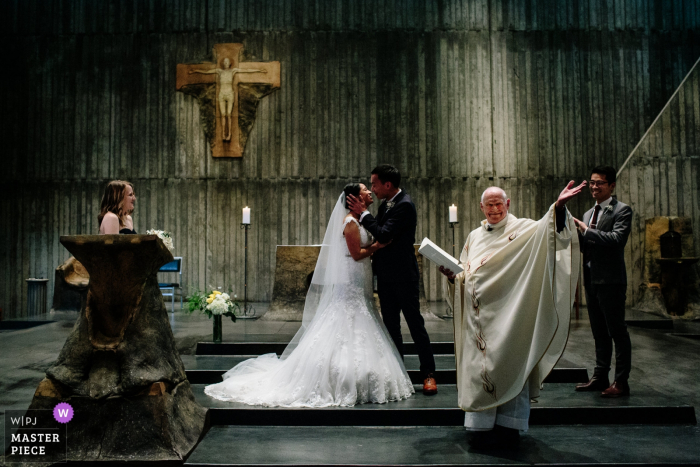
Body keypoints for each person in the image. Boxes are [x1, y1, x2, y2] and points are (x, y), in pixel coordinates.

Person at [204, 184, 414, 407]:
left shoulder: (362, 219)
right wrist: (378, 246)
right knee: (348, 314)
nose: (369, 191)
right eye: (365, 189)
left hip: (360, 275)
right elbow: (355, 254)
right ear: (355, 198)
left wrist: (376, 245)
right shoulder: (351, 223)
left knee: (363, 313)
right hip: (353, 273)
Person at [439, 182, 584, 447]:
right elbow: (464, 273)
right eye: (489, 205)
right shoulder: (474, 236)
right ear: (481, 208)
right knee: (479, 369)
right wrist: (453, 277)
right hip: (479, 319)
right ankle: (479, 424)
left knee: (512, 362)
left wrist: (559, 207)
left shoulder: (524, 229)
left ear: (508, 204)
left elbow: (549, 230)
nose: (494, 209)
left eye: (498, 203)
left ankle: (510, 423)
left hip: (511, 313)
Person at [347, 165, 438, 395]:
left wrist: (364, 214)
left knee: (415, 325)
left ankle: (428, 374)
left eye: (374, 184)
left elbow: (384, 233)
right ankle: (399, 373)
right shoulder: (386, 204)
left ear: (388, 185)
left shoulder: (404, 205)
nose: (373, 189)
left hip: (404, 276)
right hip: (386, 277)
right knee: (391, 327)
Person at [572, 166, 633, 397]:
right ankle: (600, 377)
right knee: (599, 331)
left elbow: (617, 240)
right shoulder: (589, 213)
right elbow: (587, 244)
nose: (595, 187)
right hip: (591, 279)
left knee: (617, 331)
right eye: (592, 182)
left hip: (611, 280)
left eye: (600, 183)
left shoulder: (622, 210)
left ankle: (621, 382)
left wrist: (587, 231)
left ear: (611, 186)